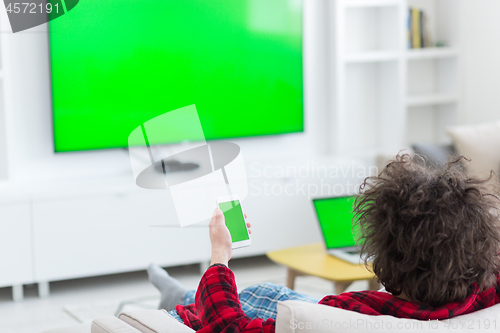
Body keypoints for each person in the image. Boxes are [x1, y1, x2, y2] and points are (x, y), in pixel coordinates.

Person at [148, 154, 500, 332]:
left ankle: (179, 299)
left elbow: (227, 327)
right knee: (274, 294)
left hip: (305, 313)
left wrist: (219, 257)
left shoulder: (347, 316)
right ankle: (181, 294)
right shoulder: (485, 295)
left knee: (258, 299)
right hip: (306, 305)